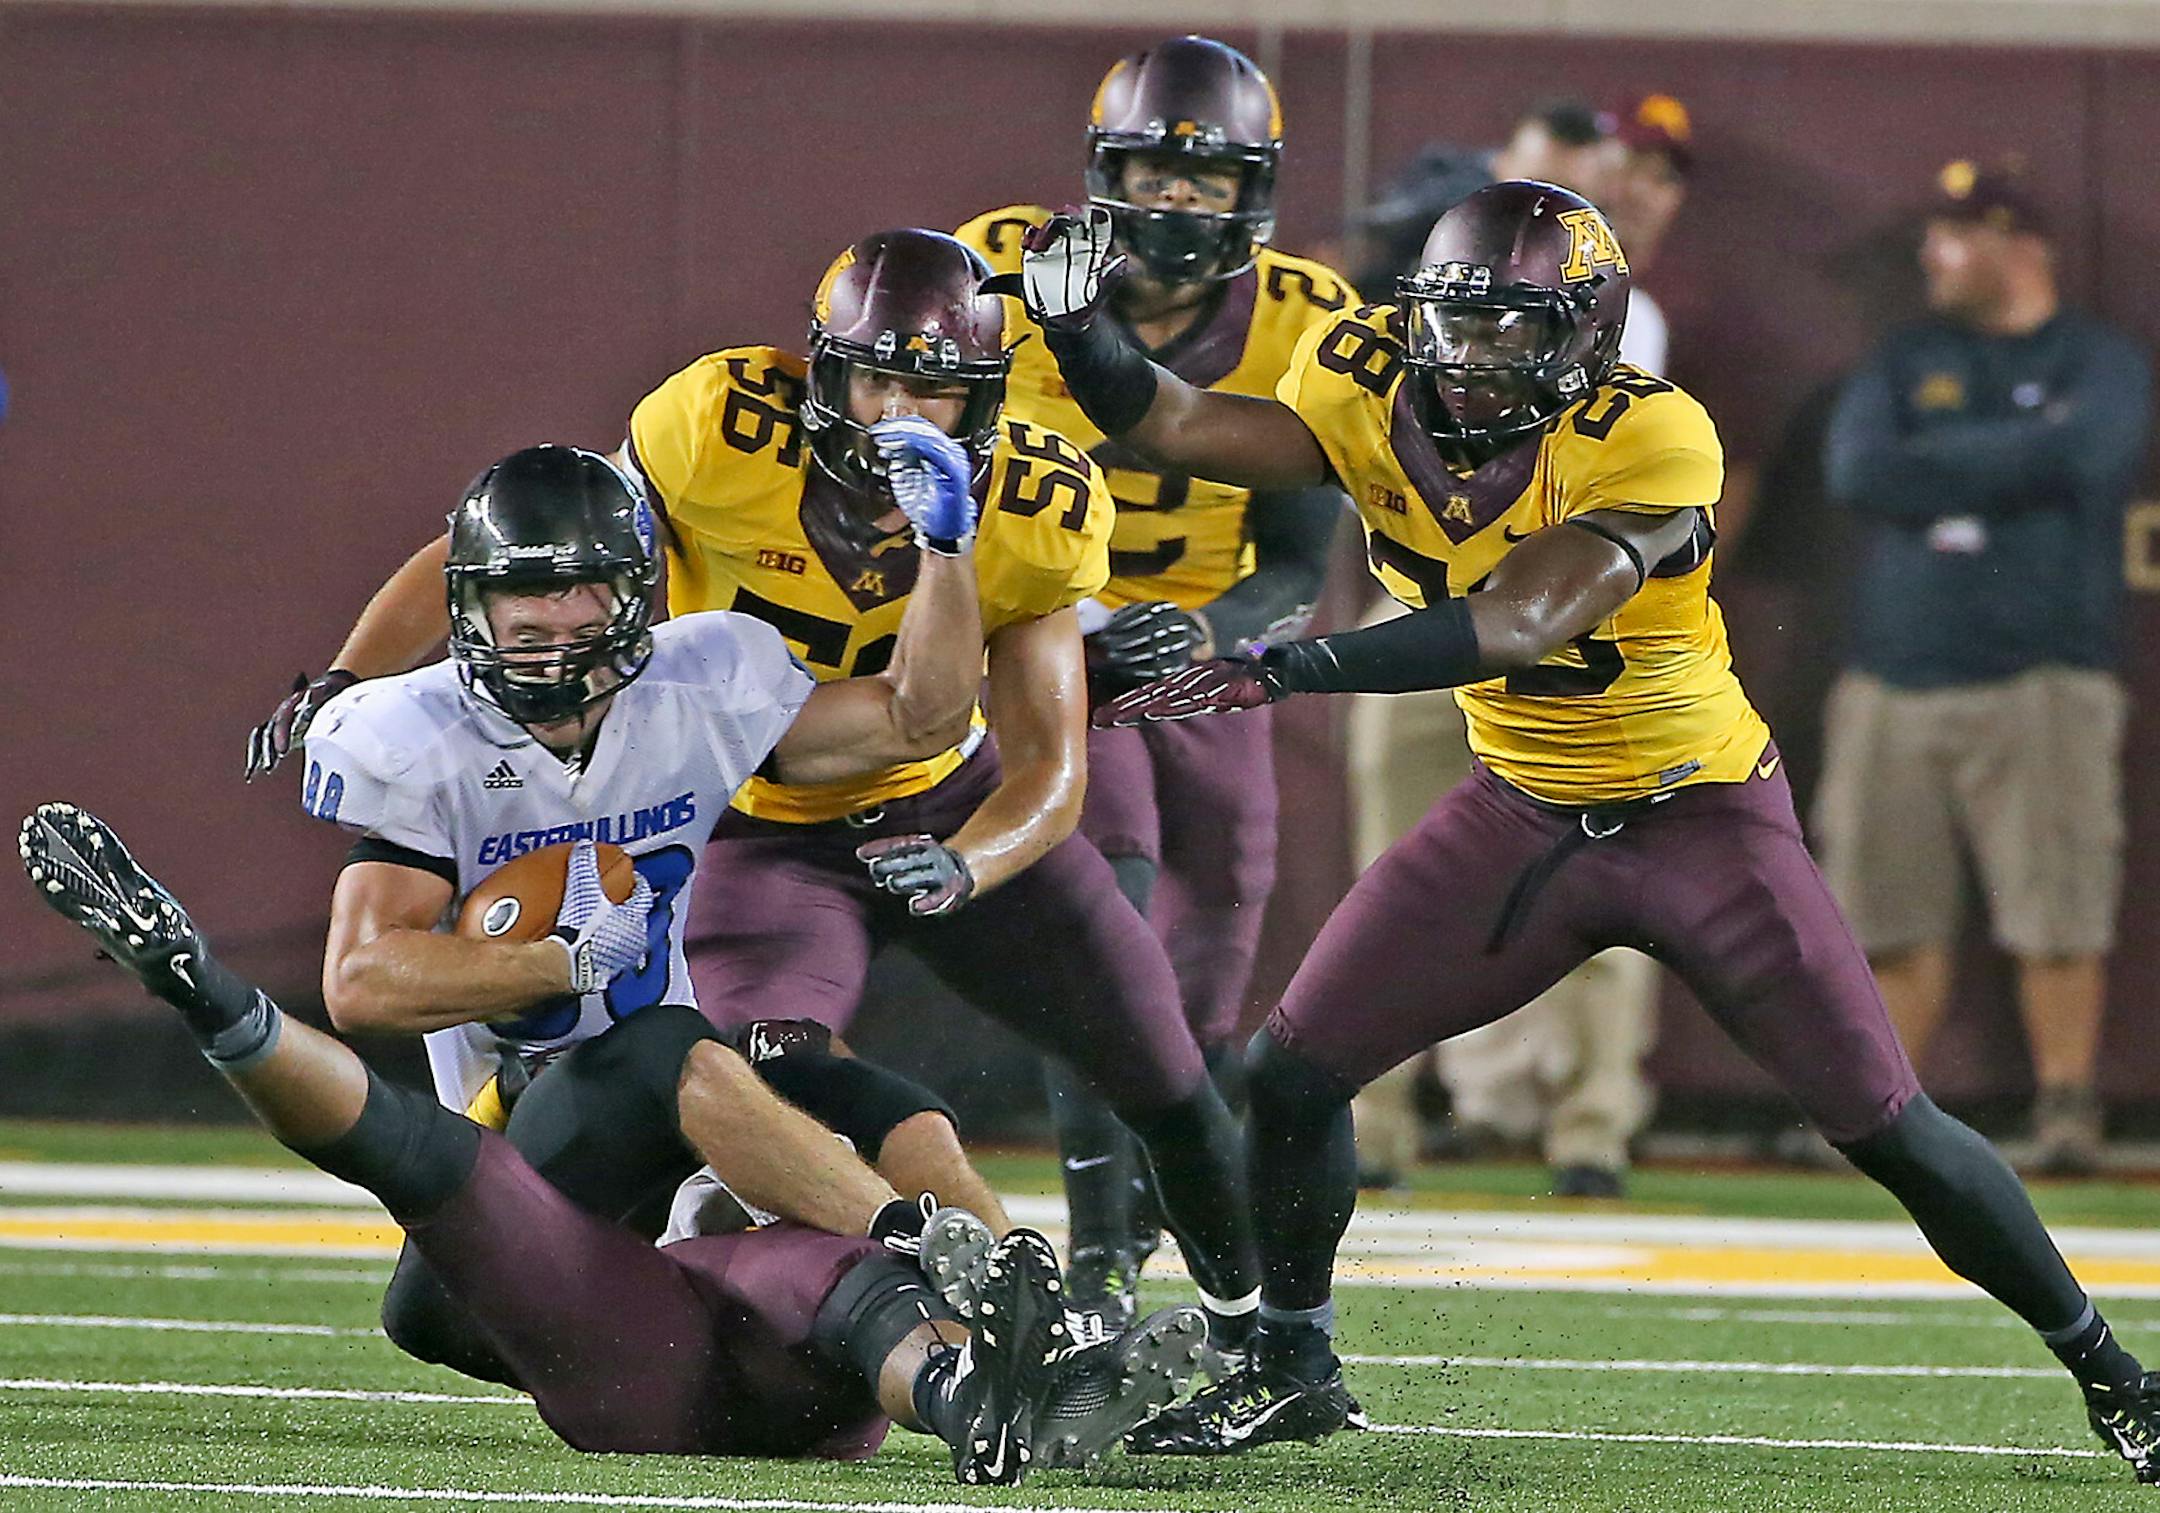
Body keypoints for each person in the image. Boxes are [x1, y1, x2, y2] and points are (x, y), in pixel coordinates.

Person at [992, 182, 2160, 1481]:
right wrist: (1082, 332)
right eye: (1456, 321)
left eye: (1510, 325)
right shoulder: (1365, 378)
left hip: (1697, 818)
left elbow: (1521, 621)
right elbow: (1176, 420)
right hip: (1519, 812)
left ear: (1588, 330)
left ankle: (2115, 1373)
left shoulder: (1650, 433)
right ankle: (1292, 1364)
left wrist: (1285, 667)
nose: (1473, 355)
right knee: (1295, 1073)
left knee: (1883, 1121)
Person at [241, 229, 1264, 1362]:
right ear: (823, 370)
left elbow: (1026, 760)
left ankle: (1265, 1344)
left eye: (931, 387)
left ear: (986, 398)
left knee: (1164, 1071)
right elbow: (525, 552)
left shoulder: (1035, 500)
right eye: (874, 378)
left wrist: (971, 841)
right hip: (754, 822)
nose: (898, 412)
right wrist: (349, 673)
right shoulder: (718, 430)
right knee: (776, 1074)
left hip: (945, 799)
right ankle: (967, 1309)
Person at [19, 802, 1209, 1485]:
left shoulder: (724, 1061)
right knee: (508, 1188)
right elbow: (413, 1166)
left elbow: (897, 1117)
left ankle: (997, 1374)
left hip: (737, 1366)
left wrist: (979, 1253)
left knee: (810, 1219)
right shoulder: (587, 1079)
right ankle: (978, 1368)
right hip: (653, 1340)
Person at [291, 440, 1013, 1384]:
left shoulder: (697, 689)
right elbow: (358, 982)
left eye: (580, 611)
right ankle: (908, 1235)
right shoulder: (420, 738)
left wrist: (947, 551)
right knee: (661, 1044)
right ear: (470, 608)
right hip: (519, 1152)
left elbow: (922, 719)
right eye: (526, 616)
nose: (554, 645)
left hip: (674, 1109)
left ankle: (1020, 1318)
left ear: (632, 601)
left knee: (834, 1075)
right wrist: (562, 965)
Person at [958, 34, 1350, 1323]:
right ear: (1103, 174)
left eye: (1208, 179)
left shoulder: (1304, 318)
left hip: (1203, 661)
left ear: (1253, 190)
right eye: (1151, 173)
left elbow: (1298, 560)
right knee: (1103, 915)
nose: (1178, 201)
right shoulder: (1002, 269)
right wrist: (1036, 613)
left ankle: (1157, 1225)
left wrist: (1207, 631)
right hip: (1042, 639)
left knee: (1208, 962)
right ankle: (1100, 1257)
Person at [1818, 160, 2151, 1178]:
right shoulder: (1906, 356)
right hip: (1895, 674)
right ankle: (1883, 1112)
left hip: (2041, 676)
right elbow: (1858, 467)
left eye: (1957, 235)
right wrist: (2021, 455)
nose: (1933, 253)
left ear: (2019, 243)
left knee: (2058, 911)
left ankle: (2065, 1104)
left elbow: (2093, 456)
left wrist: (1939, 461)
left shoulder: (2097, 359)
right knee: (1887, 912)